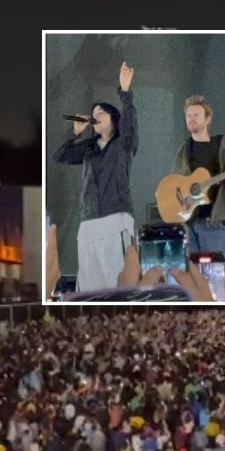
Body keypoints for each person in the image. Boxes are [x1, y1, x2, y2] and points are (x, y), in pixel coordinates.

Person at [51, 61, 138, 292]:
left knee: (116, 281)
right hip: (88, 222)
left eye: (100, 112)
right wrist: (74, 132)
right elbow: (58, 156)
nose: (95, 116)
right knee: (90, 286)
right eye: (93, 113)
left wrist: (125, 92)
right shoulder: (89, 147)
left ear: (113, 118)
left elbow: (131, 124)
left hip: (115, 218)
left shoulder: (123, 144)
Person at [172, 94, 225, 255]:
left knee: (214, 273)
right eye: (188, 115)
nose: (191, 119)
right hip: (189, 224)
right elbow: (174, 183)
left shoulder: (223, 145)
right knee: (192, 273)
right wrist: (179, 203)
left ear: (208, 119)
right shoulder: (183, 151)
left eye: (196, 115)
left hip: (214, 223)